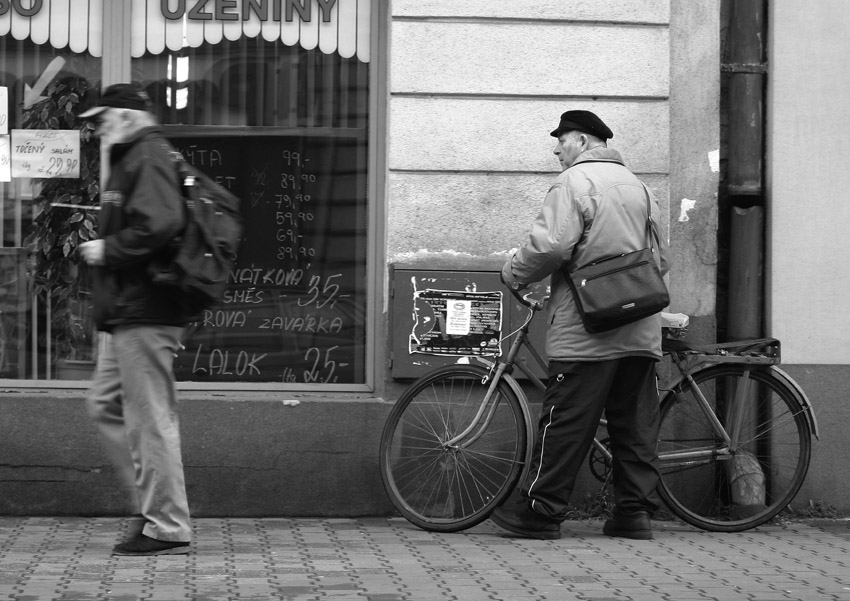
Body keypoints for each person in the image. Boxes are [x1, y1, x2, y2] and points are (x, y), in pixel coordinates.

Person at [491, 110, 670, 541]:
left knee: (565, 423)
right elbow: (662, 260)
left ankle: (540, 513)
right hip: (640, 327)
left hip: (587, 330)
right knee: (634, 427)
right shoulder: (642, 188)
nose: (556, 149)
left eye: (562, 140)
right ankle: (633, 515)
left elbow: (551, 245)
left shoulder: (574, 183)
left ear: (585, 142)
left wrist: (514, 272)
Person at [78, 83, 194, 556]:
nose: (97, 127)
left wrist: (109, 248)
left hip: (146, 311)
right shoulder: (133, 157)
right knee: (105, 404)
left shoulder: (147, 155)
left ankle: (166, 524)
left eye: (103, 118)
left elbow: (162, 223)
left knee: (150, 419)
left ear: (126, 116)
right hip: (130, 312)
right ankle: (152, 504)